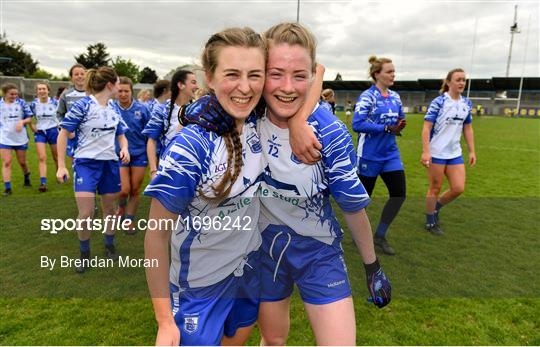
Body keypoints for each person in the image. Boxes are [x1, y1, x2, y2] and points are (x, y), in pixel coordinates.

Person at [256, 23, 391, 346]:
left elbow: (352, 206)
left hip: (318, 251)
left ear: (312, 78)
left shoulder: (329, 133)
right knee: (273, 340)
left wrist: (372, 267)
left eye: (299, 76)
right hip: (262, 248)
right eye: (276, 74)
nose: (287, 87)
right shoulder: (247, 114)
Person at [144, 27, 266, 346]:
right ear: (209, 77)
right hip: (198, 288)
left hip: (247, 273)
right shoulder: (190, 147)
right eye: (232, 74)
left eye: (255, 75)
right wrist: (164, 321)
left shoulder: (261, 125)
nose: (245, 87)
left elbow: (304, 82)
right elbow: (156, 234)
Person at [56, 66, 130, 273]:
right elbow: (63, 133)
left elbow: (121, 132)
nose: (119, 87)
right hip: (86, 164)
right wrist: (61, 166)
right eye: (117, 83)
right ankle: (84, 254)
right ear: (110, 84)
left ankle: (109, 246)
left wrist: (124, 148)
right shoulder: (83, 106)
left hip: (110, 164)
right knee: (86, 213)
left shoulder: (114, 107)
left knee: (110, 210)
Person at [352, 56, 407, 256]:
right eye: (389, 71)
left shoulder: (395, 97)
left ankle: (380, 235)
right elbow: (357, 124)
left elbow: (400, 118)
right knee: (362, 201)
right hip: (369, 155)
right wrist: (385, 127)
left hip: (390, 154)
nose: (393, 74)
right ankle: (359, 235)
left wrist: (400, 124)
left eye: (394, 71)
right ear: (377, 74)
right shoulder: (368, 97)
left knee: (399, 194)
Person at [421, 68, 476, 235]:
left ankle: (436, 207)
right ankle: (430, 222)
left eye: (463, 80)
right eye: (458, 79)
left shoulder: (467, 103)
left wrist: (472, 151)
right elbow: (426, 127)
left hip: (455, 153)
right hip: (436, 152)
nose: (461, 83)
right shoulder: (439, 102)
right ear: (448, 82)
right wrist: (425, 151)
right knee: (435, 188)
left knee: (458, 188)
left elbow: (467, 128)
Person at [142, 70, 198, 180]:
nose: (197, 86)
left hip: (193, 170)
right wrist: (153, 170)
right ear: (181, 85)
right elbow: (151, 141)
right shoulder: (162, 110)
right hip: (167, 168)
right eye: (193, 82)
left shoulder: (198, 110)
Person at [112, 77, 151, 233]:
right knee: (123, 190)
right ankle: (121, 206)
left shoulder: (142, 109)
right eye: (120, 91)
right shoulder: (111, 108)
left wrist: (151, 153)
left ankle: (129, 220)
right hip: (118, 153)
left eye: (126, 91)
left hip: (139, 154)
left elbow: (150, 133)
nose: (122, 94)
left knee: (135, 189)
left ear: (131, 91)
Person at [0, 83, 33, 196]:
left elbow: (29, 118)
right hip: (5, 138)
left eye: (16, 93)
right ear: (5, 93)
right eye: (11, 94)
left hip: (20, 138)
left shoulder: (21, 103)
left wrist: (22, 122)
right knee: (7, 162)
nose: (14, 96)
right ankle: (7, 188)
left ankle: (27, 177)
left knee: (22, 162)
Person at [29, 82, 59, 192]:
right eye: (39, 89)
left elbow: (62, 115)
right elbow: (29, 117)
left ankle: (59, 175)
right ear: (37, 92)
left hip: (53, 131)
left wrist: (59, 126)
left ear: (48, 90)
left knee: (56, 157)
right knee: (42, 157)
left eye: (44, 89)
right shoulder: (33, 104)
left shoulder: (55, 102)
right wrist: (32, 125)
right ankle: (43, 182)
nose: (42, 91)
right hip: (40, 132)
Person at [57, 63, 87, 158]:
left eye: (82, 74)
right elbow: (59, 114)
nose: (80, 76)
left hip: (90, 135)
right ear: (71, 78)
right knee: (76, 163)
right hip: (73, 136)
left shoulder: (93, 93)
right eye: (76, 74)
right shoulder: (66, 94)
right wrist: (67, 131)